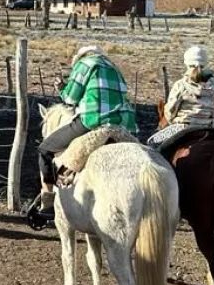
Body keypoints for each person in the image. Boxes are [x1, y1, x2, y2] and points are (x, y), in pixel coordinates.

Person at [32, 45, 138, 224]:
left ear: (79, 58)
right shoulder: (115, 68)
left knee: (44, 150)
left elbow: (70, 99)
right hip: (123, 124)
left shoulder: (84, 65)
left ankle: (48, 201)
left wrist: (61, 88)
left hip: (93, 121)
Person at [149, 44, 214, 147]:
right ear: (206, 63)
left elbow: (170, 111)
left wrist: (171, 120)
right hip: (211, 127)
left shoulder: (181, 85)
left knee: (152, 143)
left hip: (183, 127)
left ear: (186, 63)